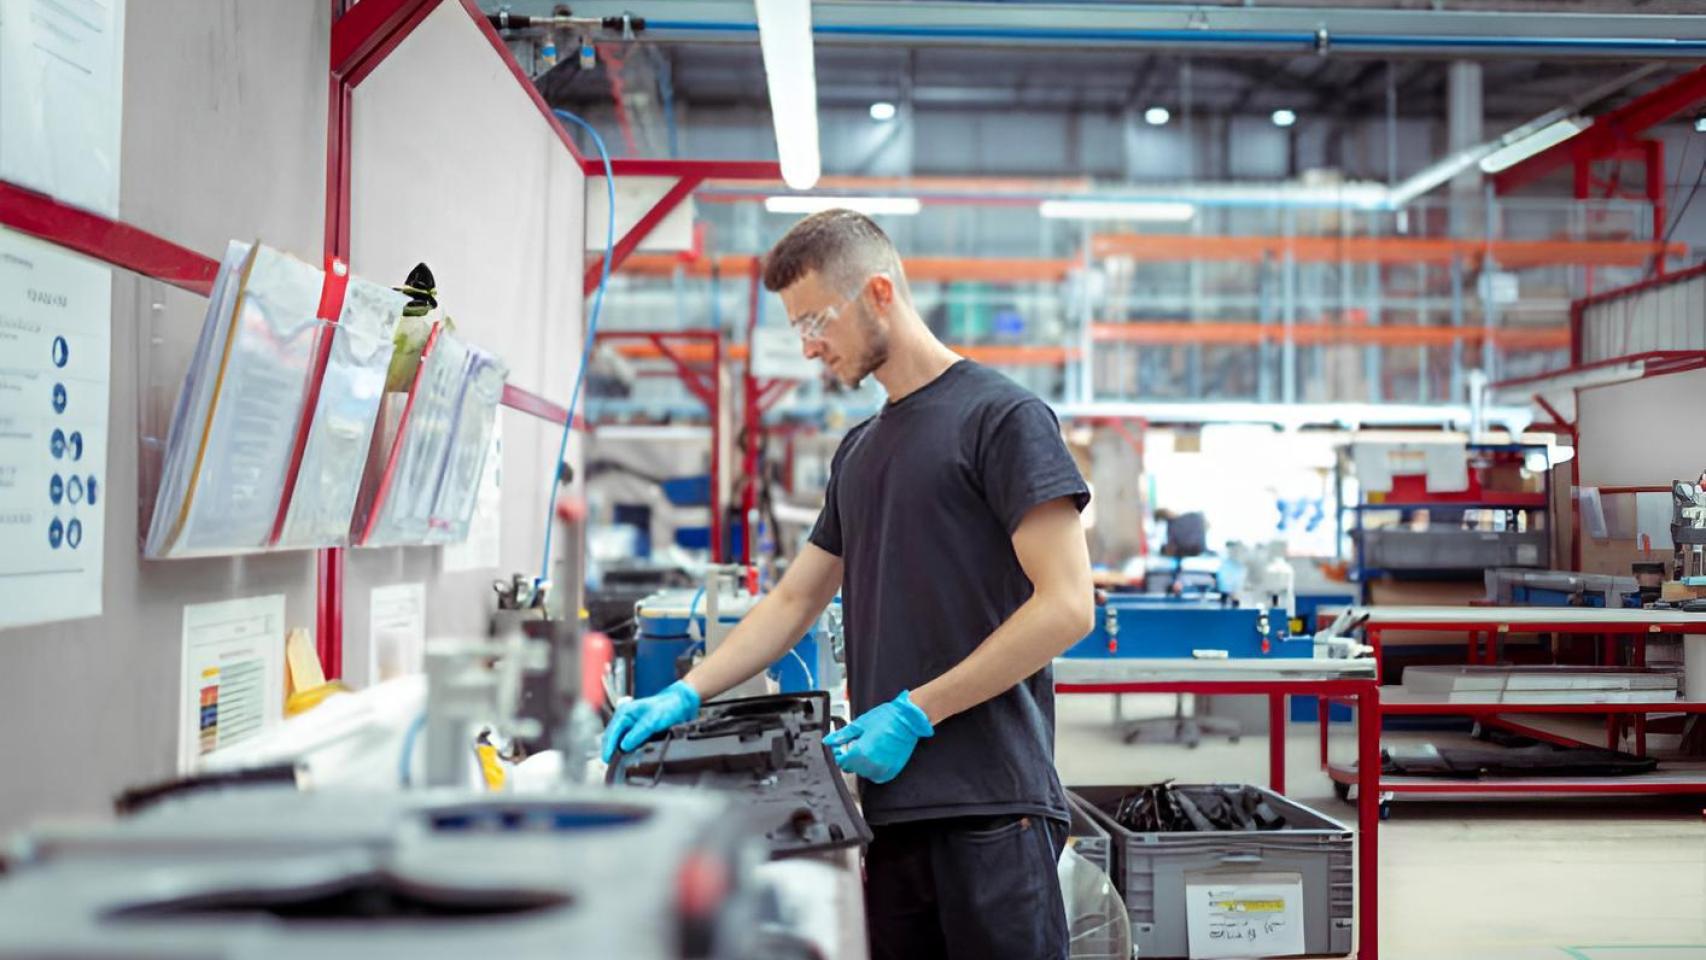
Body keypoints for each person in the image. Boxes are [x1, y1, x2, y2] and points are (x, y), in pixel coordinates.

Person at [602, 209, 1094, 960]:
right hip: (889, 811)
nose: (808, 346)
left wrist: (916, 712)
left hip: (992, 807)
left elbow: (1067, 606)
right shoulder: (860, 449)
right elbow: (795, 599)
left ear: (878, 293)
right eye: (798, 327)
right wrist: (685, 693)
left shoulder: (1002, 419)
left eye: (816, 320)